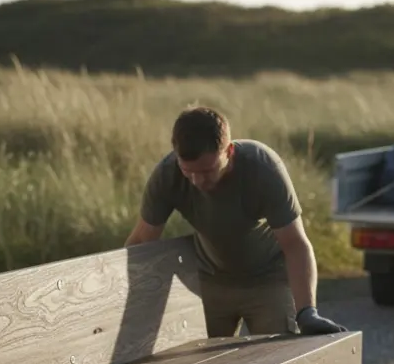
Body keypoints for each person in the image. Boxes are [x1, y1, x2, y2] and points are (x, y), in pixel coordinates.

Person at [125, 106, 348, 337]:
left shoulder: (263, 168)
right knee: (201, 357)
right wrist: (119, 305)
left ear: (229, 151)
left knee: (277, 354)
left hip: (268, 281)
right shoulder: (167, 175)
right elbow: (141, 242)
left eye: (207, 171)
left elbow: (295, 244)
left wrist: (307, 312)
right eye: (188, 171)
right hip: (210, 282)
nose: (197, 181)